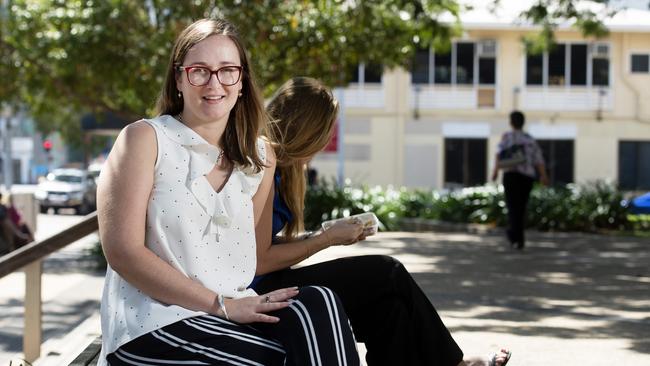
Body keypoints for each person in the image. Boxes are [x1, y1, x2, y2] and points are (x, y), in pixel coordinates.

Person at [97, 19, 359, 366]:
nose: (214, 83)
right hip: (152, 325)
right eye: (199, 71)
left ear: (242, 82)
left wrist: (234, 305)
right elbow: (123, 253)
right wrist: (221, 305)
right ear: (178, 78)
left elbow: (254, 255)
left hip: (233, 313)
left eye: (227, 71)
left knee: (320, 303)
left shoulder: (261, 158)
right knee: (280, 359)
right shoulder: (145, 139)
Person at [253, 77, 512, 366]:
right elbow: (259, 261)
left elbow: (260, 243)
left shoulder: (283, 169)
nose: (326, 142)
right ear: (309, 130)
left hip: (271, 281)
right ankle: (456, 364)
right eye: (326, 133)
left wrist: (321, 233)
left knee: (390, 309)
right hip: (257, 292)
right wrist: (326, 240)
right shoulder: (264, 159)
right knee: (388, 272)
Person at [491, 110, 549, 250]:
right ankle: (519, 237)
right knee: (521, 207)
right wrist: (543, 175)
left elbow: (499, 155)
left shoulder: (507, 137)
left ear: (511, 122)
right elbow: (538, 159)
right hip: (526, 178)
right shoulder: (529, 139)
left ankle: (514, 235)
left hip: (511, 176)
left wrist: (495, 172)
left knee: (512, 206)